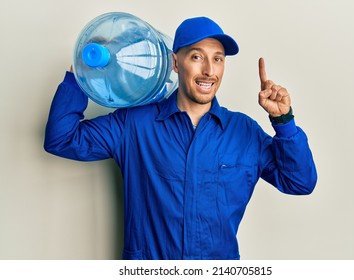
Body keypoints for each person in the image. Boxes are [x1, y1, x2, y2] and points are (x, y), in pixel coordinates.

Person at [44, 16, 317, 260]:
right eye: (197, 57)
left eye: (218, 58)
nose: (209, 70)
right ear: (175, 63)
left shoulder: (243, 132)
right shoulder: (135, 125)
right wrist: (79, 73)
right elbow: (62, 138)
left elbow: (300, 182)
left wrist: (284, 122)